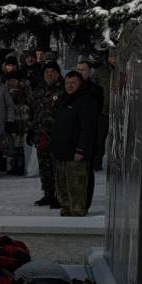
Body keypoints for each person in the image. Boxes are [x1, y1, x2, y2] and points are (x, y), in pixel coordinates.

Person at [50, 71, 99, 217]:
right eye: (67, 83)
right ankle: (66, 207)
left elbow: (88, 129)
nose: (69, 86)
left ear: (80, 84)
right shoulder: (64, 100)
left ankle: (78, 210)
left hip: (76, 152)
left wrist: (81, 149)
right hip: (61, 151)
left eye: (73, 83)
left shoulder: (86, 101)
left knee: (76, 184)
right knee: (62, 184)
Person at [31, 61, 63, 207]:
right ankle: (48, 194)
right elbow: (35, 112)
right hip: (41, 134)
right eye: (47, 72)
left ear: (58, 74)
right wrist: (32, 130)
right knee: (44, 167)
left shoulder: (62, 90)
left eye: (52, 72)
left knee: (57, 167)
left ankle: (59, 196)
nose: (49, 75)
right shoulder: (39, 90)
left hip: (56, 135)